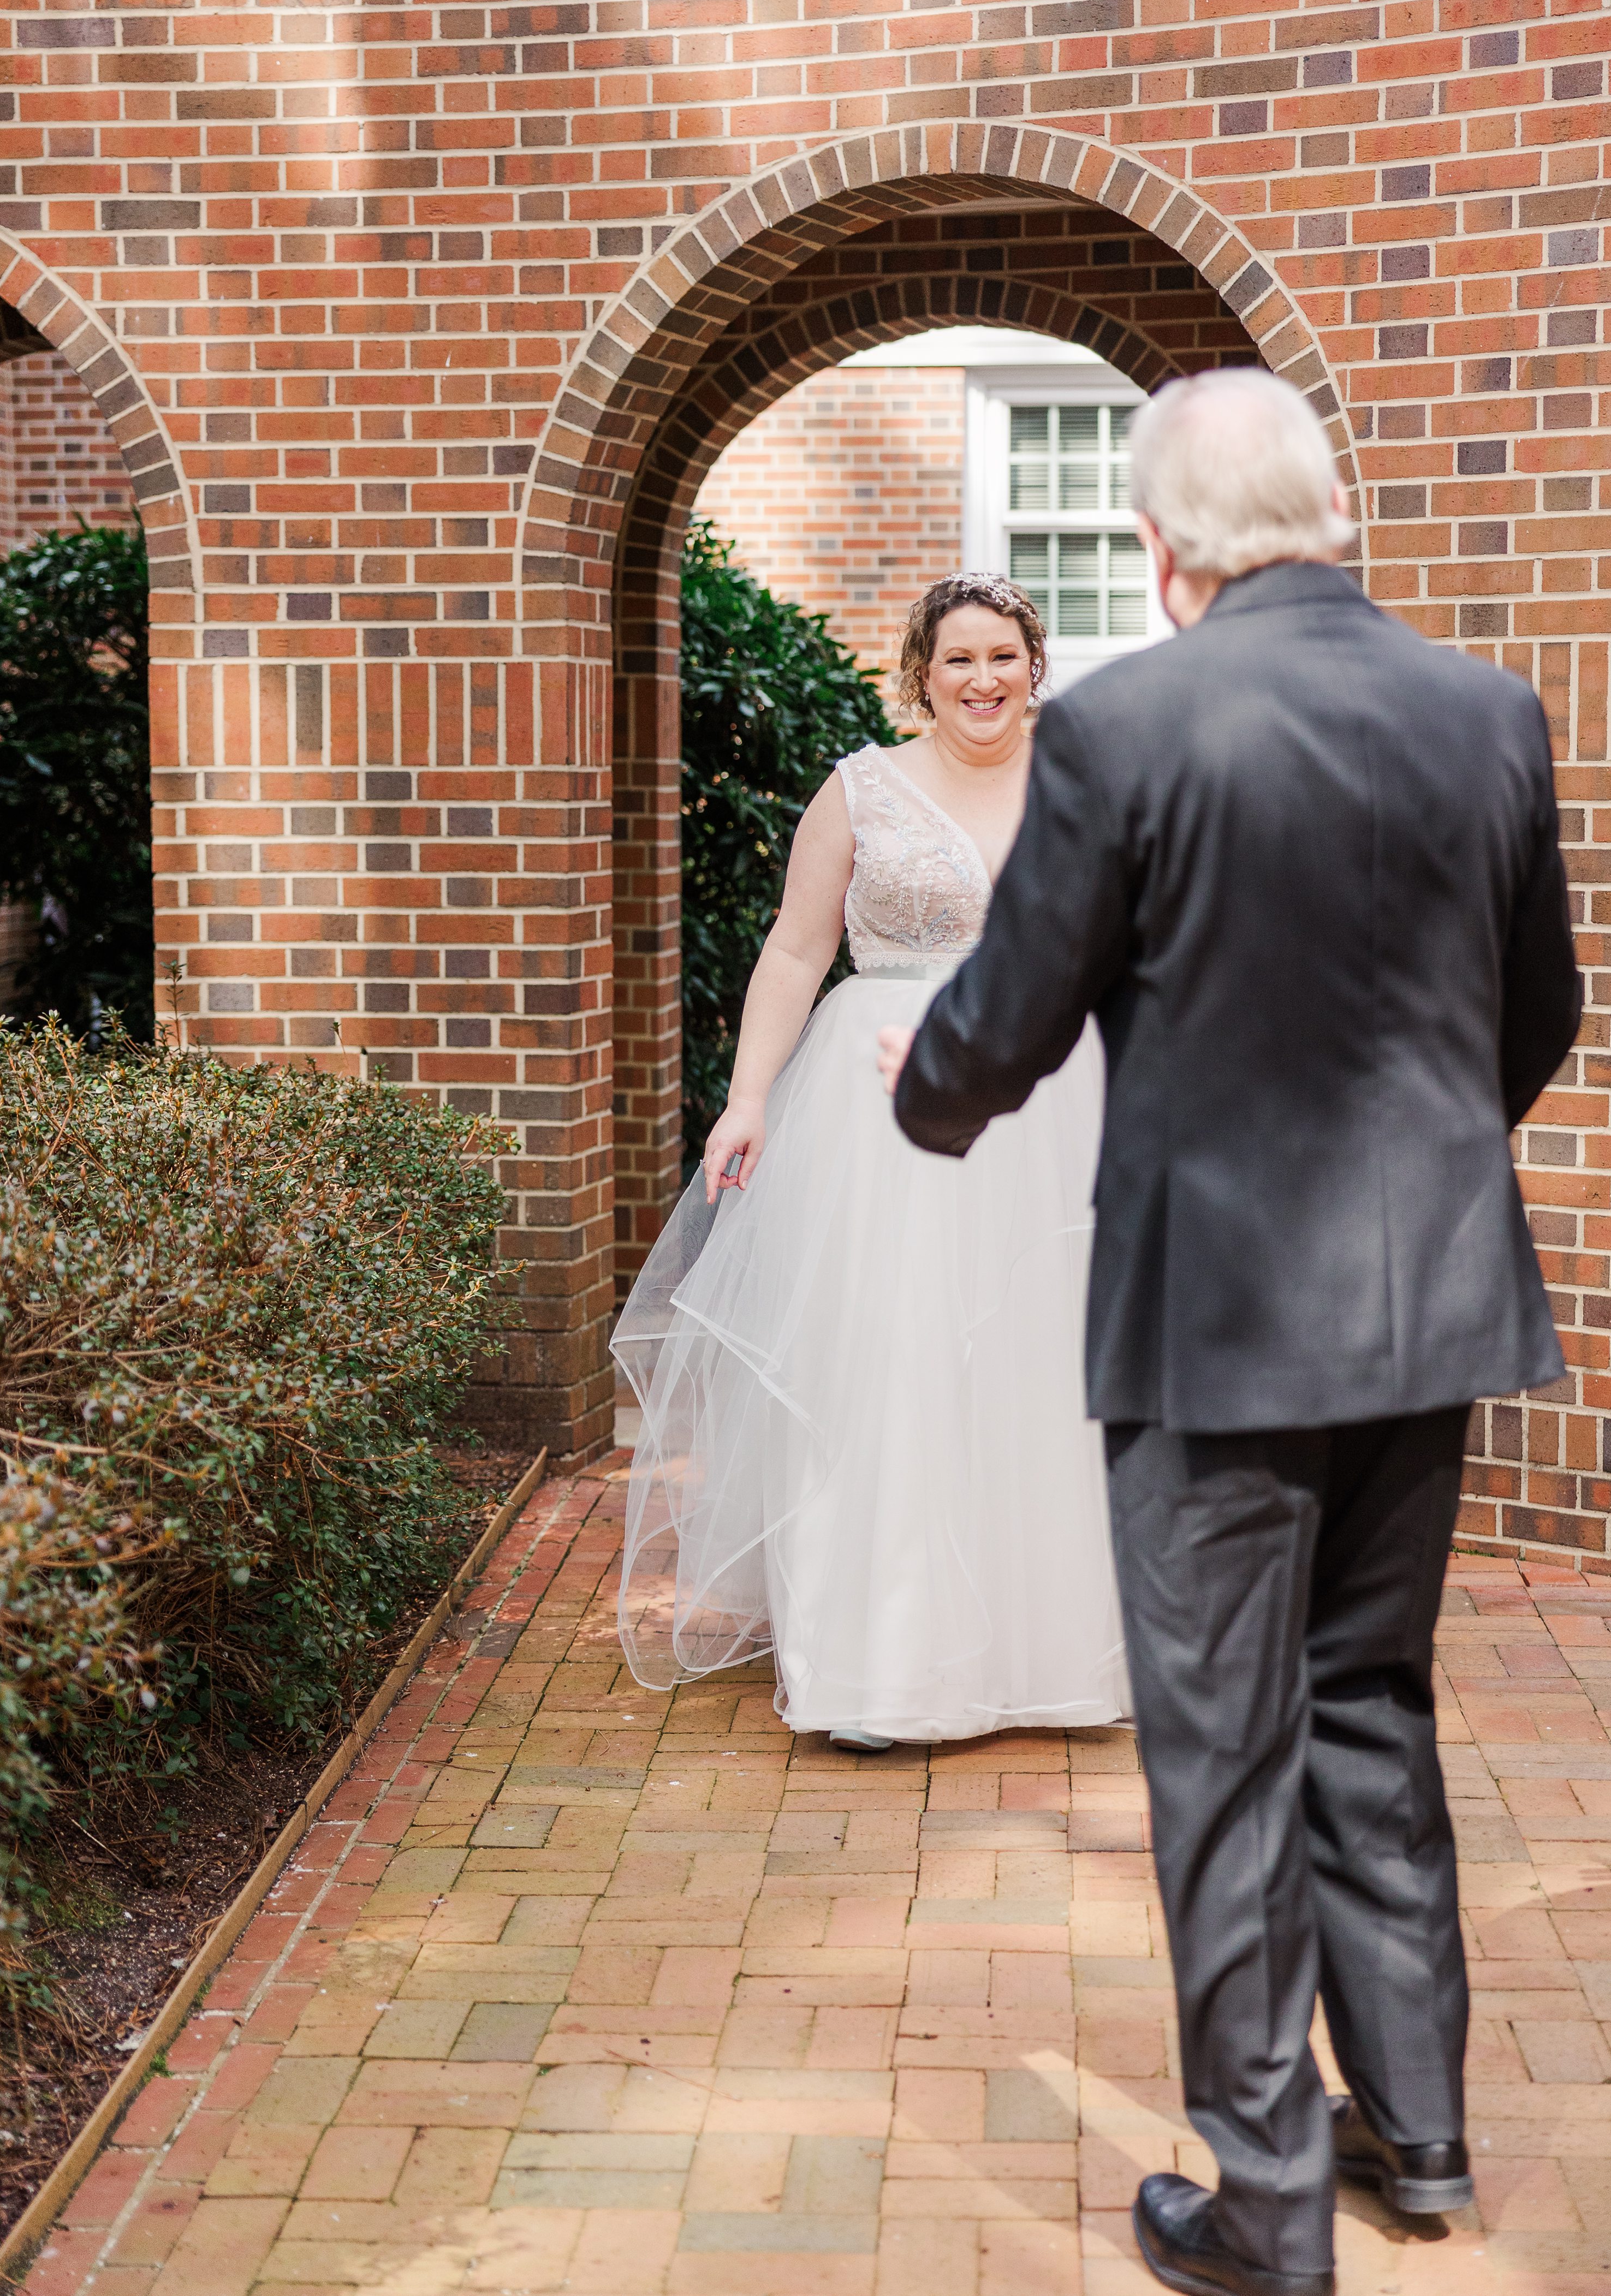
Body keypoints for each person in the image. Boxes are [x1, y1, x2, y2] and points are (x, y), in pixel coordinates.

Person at [883, 369, 1581, 2296]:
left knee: (1227, 1759)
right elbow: (1537, 1021)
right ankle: (1421, 2136)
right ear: (1330, 518)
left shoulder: (1128, 727)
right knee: (1371, 1709)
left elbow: (1008, 1016)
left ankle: (1272, 2211)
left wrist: (922, 1096)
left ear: (1166, 549)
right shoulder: (1489, 714)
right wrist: (1416, 1198)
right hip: (1427, 1319)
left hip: (1211, 1336)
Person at [611, 571, 1128, 1749]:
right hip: (881, 1100)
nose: (984, 679)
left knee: (1042, 1357)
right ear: (921, 673)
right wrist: (746, 1102)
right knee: (893, 1360)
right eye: (959, 660)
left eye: (1004, 656)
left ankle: (1051, 1654)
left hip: (1055, 1099)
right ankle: (886, 1668)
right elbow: (795, 955)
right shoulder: (860, 791)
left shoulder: (1088, 783)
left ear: (1033, 664)